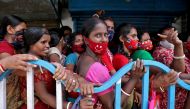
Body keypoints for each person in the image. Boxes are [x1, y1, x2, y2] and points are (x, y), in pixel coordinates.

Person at [77, 18, 146, 109]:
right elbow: (113, 105)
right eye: (98, 35)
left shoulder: (83, 58)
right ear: (86, 40)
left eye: (105, 35)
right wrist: (134, 78)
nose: (104, 39)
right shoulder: (96, 67)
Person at [20, 27, 94, 109]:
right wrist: (74, 106)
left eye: (48, 42)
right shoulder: (32, 65)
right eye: (43, 42)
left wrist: (81, 80)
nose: (48, 46)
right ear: (31, 43)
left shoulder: (43, 61)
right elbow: (44, 96)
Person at [0, 15, 27, 109]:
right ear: (10, 29)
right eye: (22, 30)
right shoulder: (3, 46)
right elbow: (16, 69)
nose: (24, 34)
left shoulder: (15, 48)